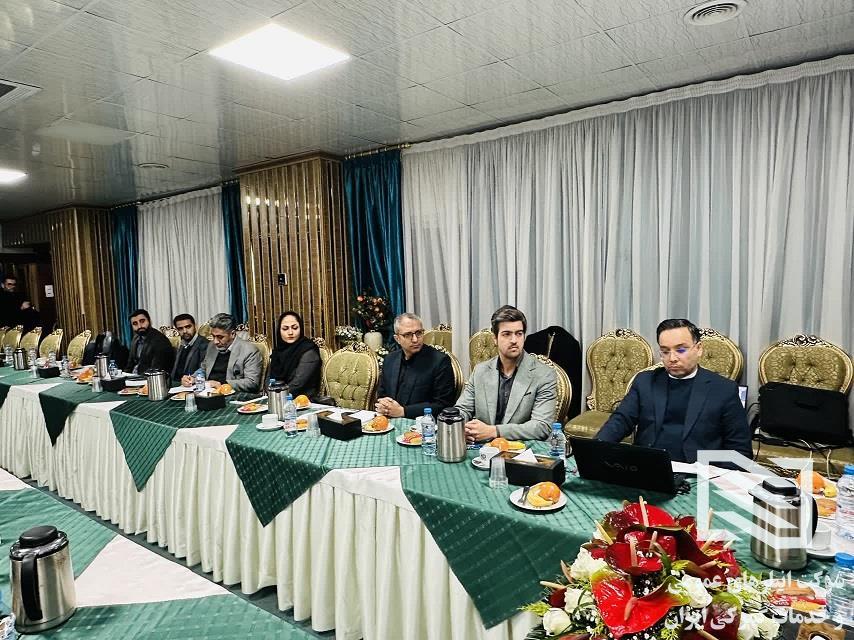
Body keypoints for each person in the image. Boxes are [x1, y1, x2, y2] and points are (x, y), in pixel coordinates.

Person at [596, 318, 752, 464]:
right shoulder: (646, 381)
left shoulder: (723, 389)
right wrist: (595, 450)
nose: (672, 358)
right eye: (665, 351)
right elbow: (620, 421)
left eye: (681, 350)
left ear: (698, 349)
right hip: (648, 466)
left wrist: (703, 468)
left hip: (697, 472)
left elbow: (741, 453)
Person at [455, 305, 557, 442]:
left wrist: (494, 431)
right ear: (495, 338)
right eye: (507, 334)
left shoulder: (544, 375)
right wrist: (462, 427)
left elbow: (541, 427)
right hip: (482, 448)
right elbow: (463, 409)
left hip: (522, 449)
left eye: (519, 333)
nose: (514, 340)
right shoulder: (480, 371)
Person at [375, 312, 456, 419]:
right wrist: (384, 403)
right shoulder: (390, 359)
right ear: (397, 339)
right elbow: (382, 395)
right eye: (408, 335)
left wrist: (403, 411)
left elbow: (443, 404)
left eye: (418, 333)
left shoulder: (440, 361)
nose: (415, 339)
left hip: (422, 423)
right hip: (389, 421)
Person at [182, 313, 262, 393]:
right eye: (213, 336)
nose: (215, 341)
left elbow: (252, 383)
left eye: (220, 337)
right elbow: (204, 369)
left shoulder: (249, 351)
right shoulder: (211, 346)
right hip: (209, 392)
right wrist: (193, 378)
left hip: (232, 394)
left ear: (232, 334)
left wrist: (222, 384)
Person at [269, 310, 321, 398]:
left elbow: (297, 385)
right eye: (285, 329)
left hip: (303, 400)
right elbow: (269, 380)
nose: (290, 332)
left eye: (295, 328)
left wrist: (275, 395)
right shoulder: (278, 351)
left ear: (301, 328)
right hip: (278, 398)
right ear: (279, 331)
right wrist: (271, 393)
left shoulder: (309, 351)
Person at [123, 309, 175, 375]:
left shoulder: (160, 341)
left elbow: (156, 370)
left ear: (149, 321)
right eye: (135, 323)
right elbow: (130, 364)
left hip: (149, 378)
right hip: (134, 376)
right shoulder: (136, 338)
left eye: (142, 321)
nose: (139, 326)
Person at [170, 313, 209, 384]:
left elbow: (204, 371)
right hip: (176, 384)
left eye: (188, 327)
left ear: (195, 326)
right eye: (180, 328)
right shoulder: (181, 344)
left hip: (192, 384)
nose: (185, 331)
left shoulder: (205, 344)